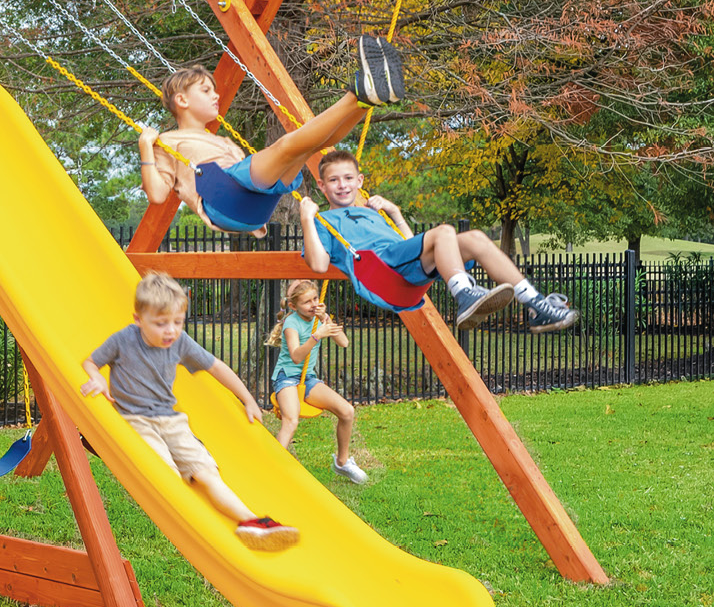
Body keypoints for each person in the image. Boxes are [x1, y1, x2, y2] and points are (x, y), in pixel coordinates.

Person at [81, 272, 300, 551]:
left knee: (206, 473)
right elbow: (91, 362)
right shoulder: (123, 340)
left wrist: (247, 398)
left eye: (177, 322)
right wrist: (98, 378)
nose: (170, 331)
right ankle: (198, 530)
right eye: (161, 323)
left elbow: (216, 366)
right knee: (165, 473)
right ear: (138, 319)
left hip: (172, 422)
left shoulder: (179, 341)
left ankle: (252, 521)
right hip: (136, 421)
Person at [138, 38, 403, 235]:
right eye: (206, 91)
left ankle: (365, 102)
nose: (216, 95)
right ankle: (357, 93)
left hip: (254, 206)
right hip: (224, 200)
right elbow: (157, 195)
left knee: (308, 147)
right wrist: (146, 146)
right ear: (182, 100)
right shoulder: (168, 142)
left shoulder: (222, 141)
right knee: (286, 145)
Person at [299, 150, 579, 332]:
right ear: (322, 186)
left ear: (360, 180)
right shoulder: (324, 222)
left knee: (476, 238)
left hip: (402, 265)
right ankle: (465, 296)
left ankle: (536, 304)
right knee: (444, 231)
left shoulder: (372, 213)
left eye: (348, 178)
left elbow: (410, 243)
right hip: (379, 269)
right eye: (333, 180)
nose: (343, 185)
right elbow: (319, 265)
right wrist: (307, 219)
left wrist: (395, 212)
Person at [266, 279, 368, 483]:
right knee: (291, 420)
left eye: (315, 299)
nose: (313, 304)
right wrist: (316, 336)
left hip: (308, 379)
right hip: (287, 378)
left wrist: (325, 320)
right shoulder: (291, 323)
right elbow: (296, 356)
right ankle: (270, 469)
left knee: (347, 411)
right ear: (293, 306)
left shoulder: (319, 318)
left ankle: (342, 462)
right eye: (307, 302)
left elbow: (344, 343)